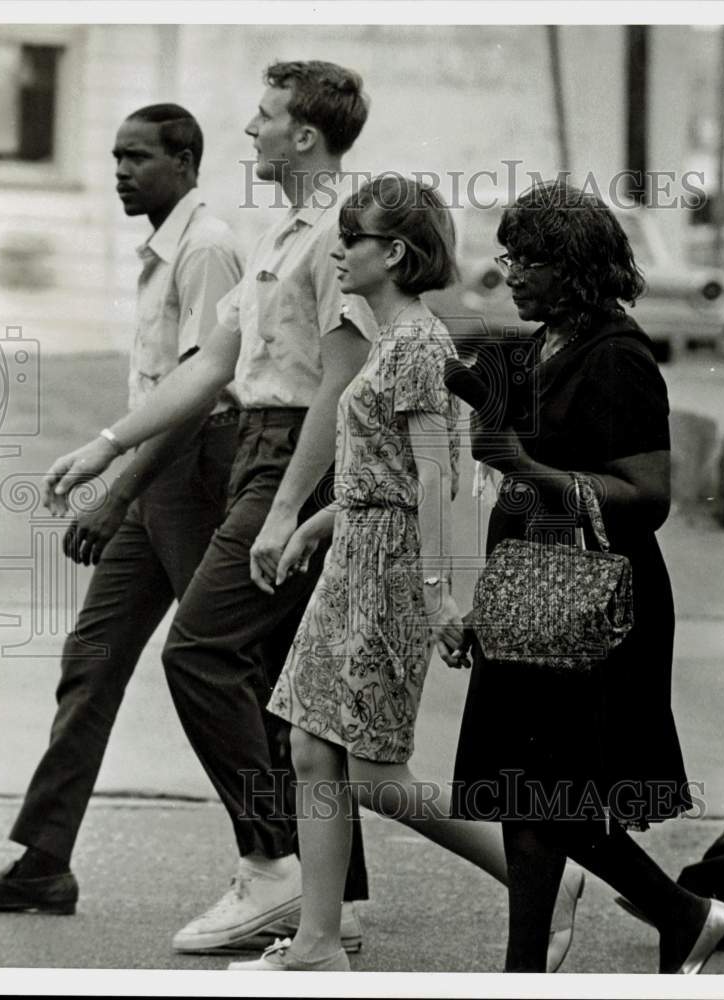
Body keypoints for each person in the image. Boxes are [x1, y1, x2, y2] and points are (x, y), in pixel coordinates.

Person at [39, 61, 374, 953]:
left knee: (204, 652)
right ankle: (336, 896)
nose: (249, 133)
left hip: (297, 461)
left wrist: (284, 506)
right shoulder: (278, 235)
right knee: (286, 690)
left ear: (304, 135)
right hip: (259, 456)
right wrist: (106, 445)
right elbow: (209, 365)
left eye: (263, 119)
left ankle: (273, 869)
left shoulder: (338, 232)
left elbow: (338, 389)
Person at [227, 175, 584, 974]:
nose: (337, 248)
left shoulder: (419, 344)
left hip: (390, 572)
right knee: (311, 747)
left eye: (351, 237)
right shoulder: (386, 337)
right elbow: (378, 469)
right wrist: (316, 526)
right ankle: (318, 943)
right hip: (352, 557)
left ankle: (542, 882)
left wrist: (434, 592)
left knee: (380, 773)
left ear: (392, 252)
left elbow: (432, 477)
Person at [450, 179, 724, 973]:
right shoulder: (544, 342)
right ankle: (533, 964)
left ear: (573, 267)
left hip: (592, 605)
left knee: (552, 789)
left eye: (529, 259)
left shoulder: (619, 355)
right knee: (521, 788)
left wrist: (527, 467)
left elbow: (647, 496)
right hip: (530, 591)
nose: (511, 272)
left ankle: (682, 912)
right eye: (508, 255)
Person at [0, 104, 244, 916]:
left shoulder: (207, 247)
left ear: (187, 159)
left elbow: (202, 395)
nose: (121, 172)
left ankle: (294, 867)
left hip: (192, 474)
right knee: (90, 662)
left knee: (223, 673)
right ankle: (43, 860)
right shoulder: (164, 247)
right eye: (113, 156)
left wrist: (118, 490)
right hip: (151, 474)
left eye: (138, 157)